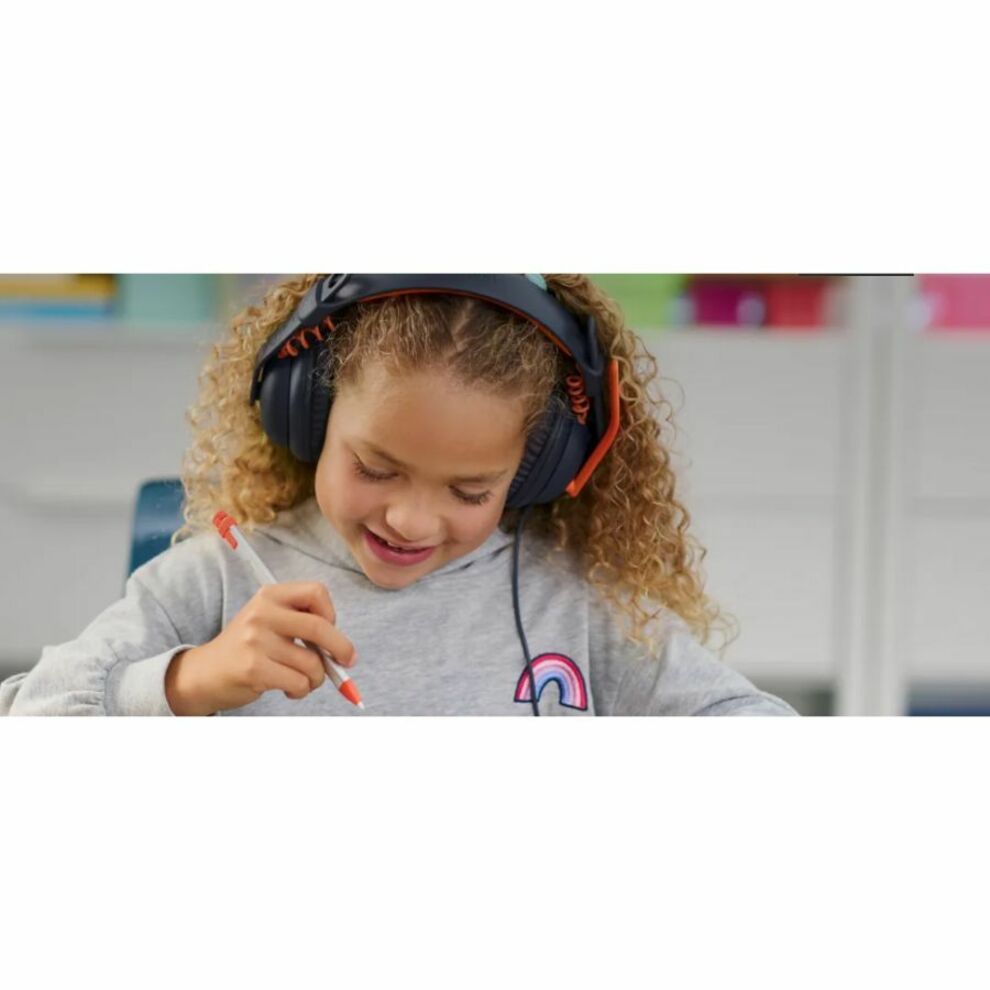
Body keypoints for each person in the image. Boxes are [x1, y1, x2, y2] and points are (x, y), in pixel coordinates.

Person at [0, 274, 796, 716]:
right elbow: (33, 717)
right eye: (376, 468)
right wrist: (189, 679)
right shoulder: (213, 582)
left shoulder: (579, 605)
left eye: (470, 489)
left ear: (538, 468)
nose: (411, 519)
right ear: (307, 411)